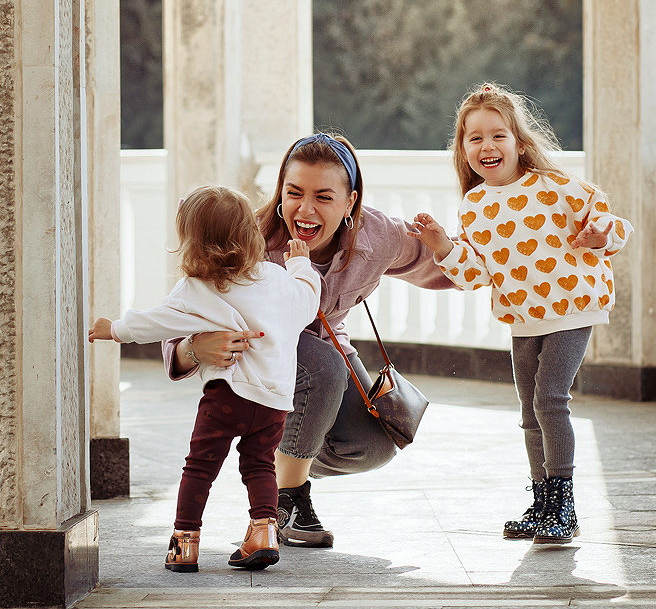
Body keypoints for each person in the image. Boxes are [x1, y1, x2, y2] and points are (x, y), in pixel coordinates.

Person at [163, 133, 454, 549]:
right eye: (294, 193)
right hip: (264, 364)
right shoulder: (249, 238)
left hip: (328, 356)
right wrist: (191, 348)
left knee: (371, 446)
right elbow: (179, 316)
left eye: (323, 196)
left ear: (350, 201)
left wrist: (517, 268)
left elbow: (445, 264)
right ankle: (287, 502)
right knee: (321, 365)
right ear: (280, 190)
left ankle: (274, 460)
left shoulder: (378, 235)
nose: (305, 209)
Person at [409, 83, 633, 545]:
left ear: (519, 142)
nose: (487, 146)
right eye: (475, 138)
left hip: (573, 306)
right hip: (522, 316)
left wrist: (600, 234)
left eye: (498, 136)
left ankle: (564, 506)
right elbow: (474, 274)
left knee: (550, 399)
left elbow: (615, 224)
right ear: (463, 148)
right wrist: (442, 245)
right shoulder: (474, 206)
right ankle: (543, 501)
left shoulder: (554, 187)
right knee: (530, 412)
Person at [89, 186, 320, 572]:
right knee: (261, 465)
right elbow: (308, 299)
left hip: (227, 397)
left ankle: (184, 544)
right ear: (252, 234)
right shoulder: (279, 280)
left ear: (193, 243)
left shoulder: (197, 288)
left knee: (199, 467)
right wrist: (300, 264)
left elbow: (154, 322)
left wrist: (114, 328)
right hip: (274, 404)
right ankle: (263, 531)